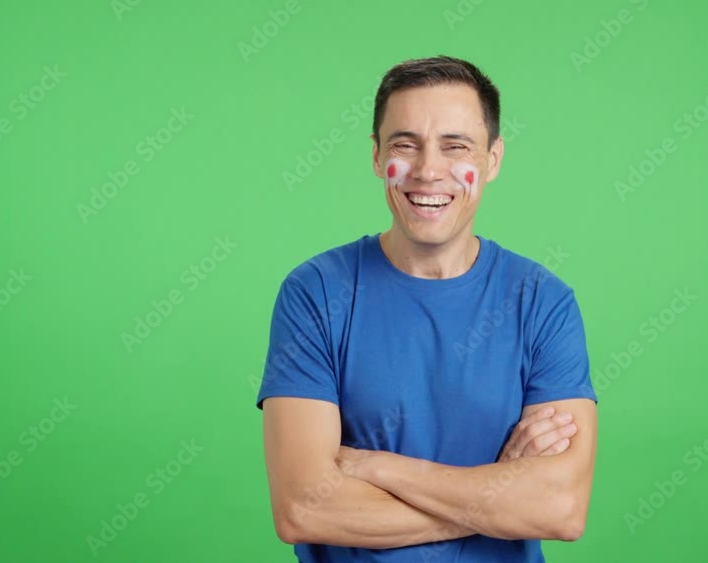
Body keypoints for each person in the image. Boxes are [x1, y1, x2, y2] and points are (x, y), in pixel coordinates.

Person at [256, 55, 598, 562]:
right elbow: (304, 510)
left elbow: (561, 509)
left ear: (493, 159)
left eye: (455, 146)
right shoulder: (316, 294)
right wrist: (495, 496)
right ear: (376, 157)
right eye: (405, 145)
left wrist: (379, 468)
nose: (428, 171)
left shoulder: (543, 303)